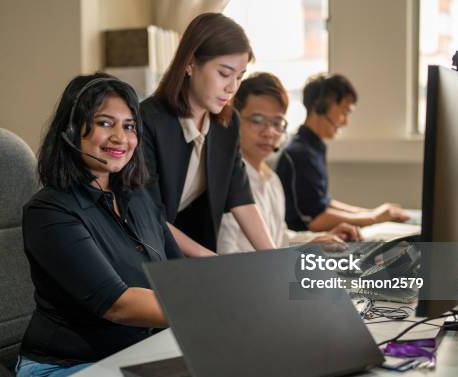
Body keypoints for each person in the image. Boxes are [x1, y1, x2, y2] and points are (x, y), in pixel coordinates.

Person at [16, 73, 181, 377]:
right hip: (62, 370)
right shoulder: (49, 210)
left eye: (130, 126)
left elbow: (179, 276)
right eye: (105, 123)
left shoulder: (138, 199)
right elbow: (117, 305)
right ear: (72, 130)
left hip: (134, 359)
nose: (120, 137)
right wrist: (211, 311)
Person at [141, 12, 275, 256]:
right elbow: (147, 215)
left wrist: (275, 258)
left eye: (239, 76)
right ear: (190, 63)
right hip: (142, 251)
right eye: (224, 74)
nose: (232, 87)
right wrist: (208, 260)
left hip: (188, 252)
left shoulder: (227, 123)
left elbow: (241, 200)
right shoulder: (148, 121)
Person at [217, 72, 361, 254]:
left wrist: (321, 238)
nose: (269, 132)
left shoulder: (271, 179)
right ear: (233, 119)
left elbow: (280, 238)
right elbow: (226, 258)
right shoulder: (227, 183)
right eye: (257, 120)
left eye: (277, 123)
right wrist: (306, 249)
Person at [276, 73, 409, 232]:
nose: (345, 122)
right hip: (301, 242)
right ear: (320, 106)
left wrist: (370, 213)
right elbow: (316, 219)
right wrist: (373, 219)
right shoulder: (300, 154)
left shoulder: (313, 146)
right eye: (344, 112)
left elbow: (323, 202)